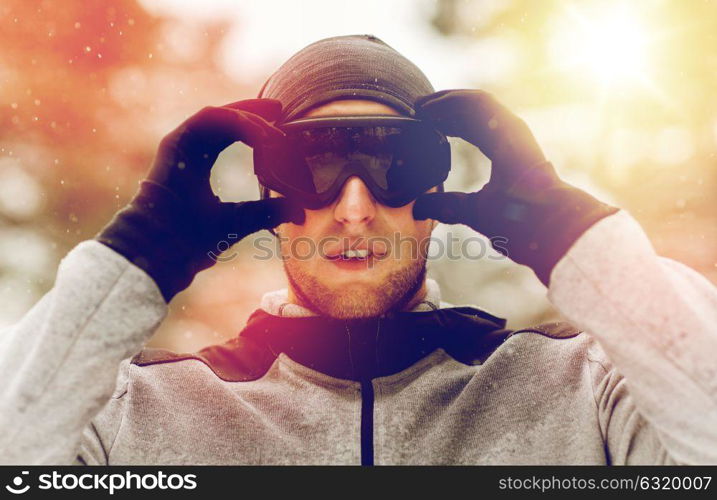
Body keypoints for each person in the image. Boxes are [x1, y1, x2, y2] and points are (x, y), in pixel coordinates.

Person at [1, 34, 716, 466]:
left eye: (391, 164)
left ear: (435, 195)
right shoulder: (134, 411)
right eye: (310, 167)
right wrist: (138, 257)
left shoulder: (584, 394)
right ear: (271, 197)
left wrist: (571, 233)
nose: (352, 207)